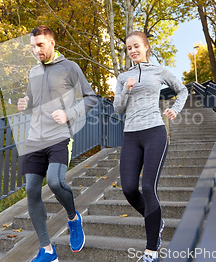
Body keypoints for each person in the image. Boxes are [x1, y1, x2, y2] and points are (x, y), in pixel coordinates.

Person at [17, 25, 98, 262]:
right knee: (31, 190)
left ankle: (73, 218)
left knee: (54, 181)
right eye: (33, 46)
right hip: (34, 139)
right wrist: (25, 104)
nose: (36, 50)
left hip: (59, 136)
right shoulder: (33, 72)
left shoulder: (69, 67)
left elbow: (91, 97)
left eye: (40, 45)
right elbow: (34, 103)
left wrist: (69, 114)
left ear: (52, 43)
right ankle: (47, 250)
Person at [113, 31, 188, 262]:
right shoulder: (123, 77)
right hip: (131, 136)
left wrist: (175, 109)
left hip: (155, 132)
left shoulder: (159, 70)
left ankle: (151, 252)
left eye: (136, 46)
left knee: (148, 187)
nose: (132, 51)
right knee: (128, 188)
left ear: (146, 47)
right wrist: (126, 88)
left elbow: (182, 89)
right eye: (128, 48)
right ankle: (156, 220)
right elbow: (117, 108)